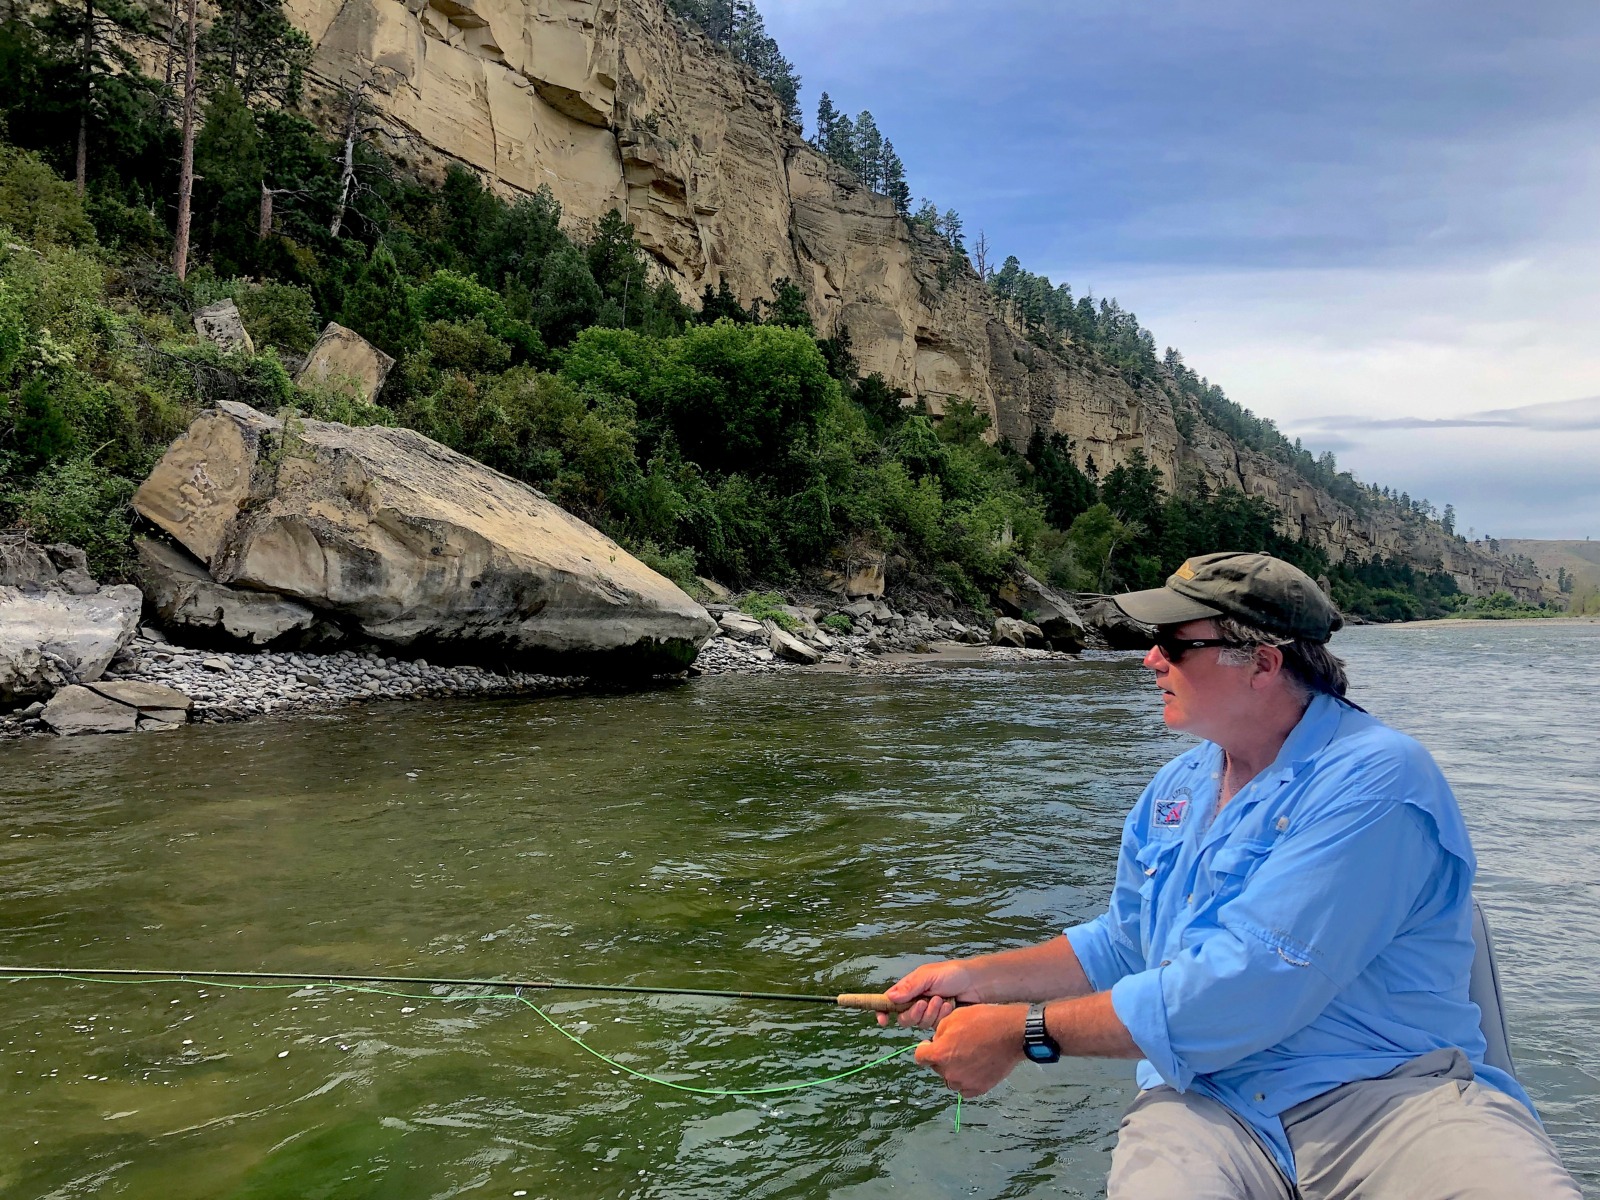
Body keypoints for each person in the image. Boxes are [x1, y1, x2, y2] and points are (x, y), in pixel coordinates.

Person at [882, 552, 1581, 1198]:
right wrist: (974, 978)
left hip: (1390, 1098)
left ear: (1263, 663)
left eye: (1176, 644)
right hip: (1202, 1102)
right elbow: (1123, 945)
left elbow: (1245, 987)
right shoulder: (1174, 787)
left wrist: (1019, 1032)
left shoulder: (1379, 781)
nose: (1151, 660)